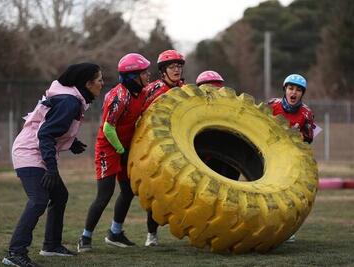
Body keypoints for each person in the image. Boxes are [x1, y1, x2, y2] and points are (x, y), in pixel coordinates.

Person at [3, 63, 104, 267]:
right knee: (39, 199)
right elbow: (45, 133)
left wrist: (72, 142)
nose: (103, 83)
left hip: (37, 150)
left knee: (59, 195)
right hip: (30, 152)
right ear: (87, 83)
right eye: (100, 79)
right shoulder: (69, 102)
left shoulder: (71, 99)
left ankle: (51, 245)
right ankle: (15, 252)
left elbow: (50, 126)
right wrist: (51, 168)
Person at [77, 53, 153, 252]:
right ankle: (85, 238)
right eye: (144, 72)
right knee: (105, 195)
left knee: (128, 191)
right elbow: (108, 128)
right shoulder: (119, 96)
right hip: (108, 149)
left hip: (125, 148)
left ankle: (115, 233)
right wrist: (121, 150)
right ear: (133, 75)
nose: (148, 75)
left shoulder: (142, 92)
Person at [139, 49, 185, 246]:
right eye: (172, 67)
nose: (176, 70)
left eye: (179, 66)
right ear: (163, 71)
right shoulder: (153, 90)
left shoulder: (184, 89)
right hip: (155, 147)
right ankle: (151, 234)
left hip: (179, 147)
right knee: (156, 192)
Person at [268, 73, 315, 243]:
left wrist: (298, 135)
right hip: (270, 156)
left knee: (289, 196)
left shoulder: (306, 113)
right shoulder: (272, 105)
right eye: (290, 88)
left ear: (302, 93)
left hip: (292, 160)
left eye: (298, 90)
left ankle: (287, 230)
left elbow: (309, 137)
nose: (294, 93)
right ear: (285, 90)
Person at [194, 70, 241, 181]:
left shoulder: (229, 109)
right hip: (204, 157)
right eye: (210, 91)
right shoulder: (195, 111)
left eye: (217, 90)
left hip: (225, 156)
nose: (214, 94)